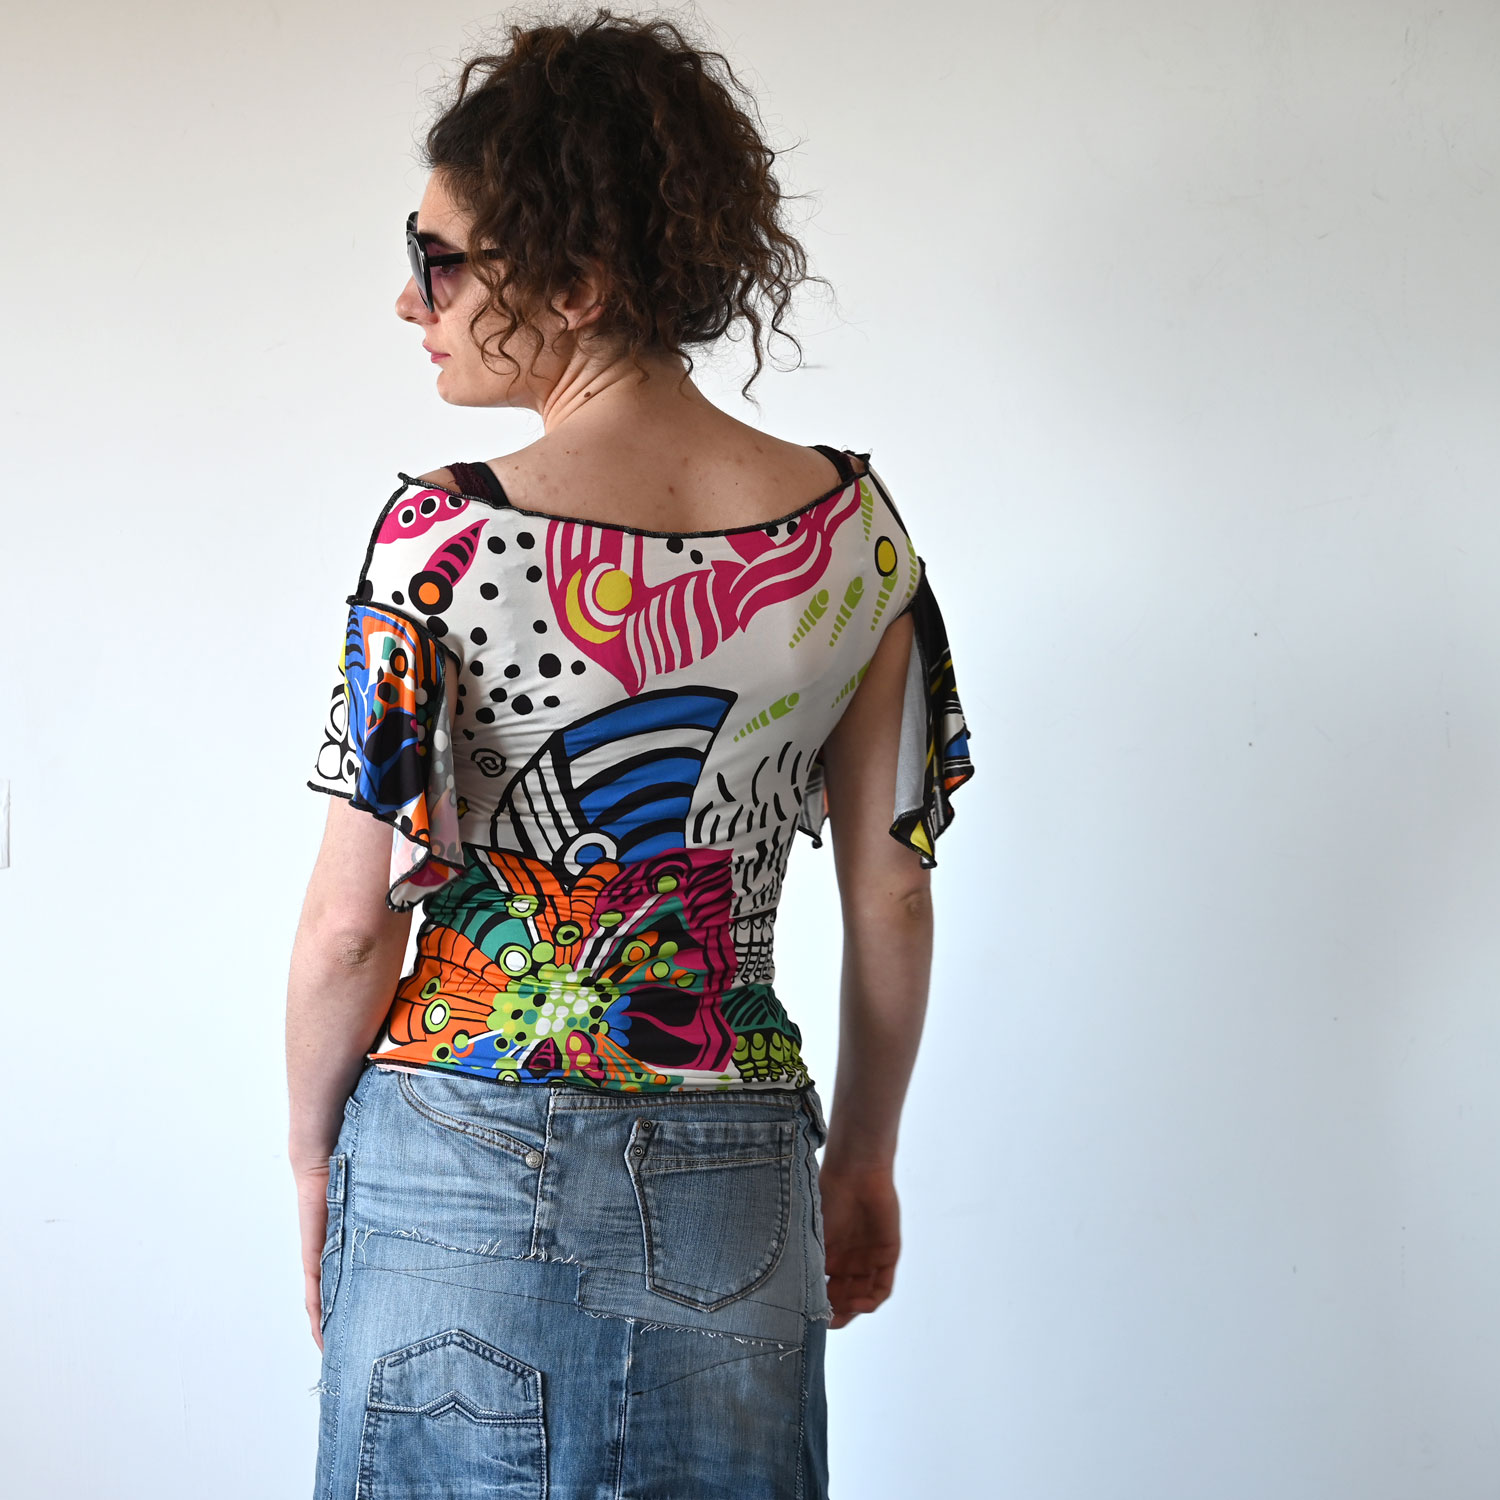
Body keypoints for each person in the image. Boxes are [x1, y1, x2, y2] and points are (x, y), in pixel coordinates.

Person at [285, 10, 974, 1498]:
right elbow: (895, 892)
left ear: (576, 285)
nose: (411, 300)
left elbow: (351, 924)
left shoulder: (440, 538)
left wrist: (307, 1159)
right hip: (735, 1146)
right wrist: (863, 1157)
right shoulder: (854, 538)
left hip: (454, 1139)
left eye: (438, 261)